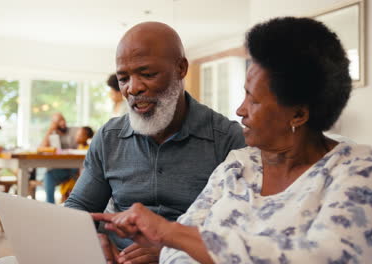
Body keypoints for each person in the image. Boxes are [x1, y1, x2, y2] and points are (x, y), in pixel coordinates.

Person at [93, 17, 372, 264]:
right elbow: (175, 253)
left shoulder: (358, 168)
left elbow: (330, 257)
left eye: (254, 99)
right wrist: (172, 240)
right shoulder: (238, 166)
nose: (240, 110)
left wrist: (169, 233)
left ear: (298, 114)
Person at [65, 21, 246, 263]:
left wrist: (171, 251)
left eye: (147, 74)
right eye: (123, 78)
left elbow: (240, 231)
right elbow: (79, 206)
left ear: (181, 68)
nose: (133, 88)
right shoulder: (109, 137)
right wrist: (92, 239)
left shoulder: (227, 140)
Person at [40, 112, 78, 203]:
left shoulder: (74, 131)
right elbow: (41, 148)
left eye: (63, 119)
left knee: (48, 175)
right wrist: (50, 130)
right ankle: (50, 206)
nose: (62, 123)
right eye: (58, 121)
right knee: (48, 175)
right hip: (61, 169)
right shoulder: (52, 134)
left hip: (75, 167)